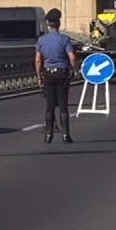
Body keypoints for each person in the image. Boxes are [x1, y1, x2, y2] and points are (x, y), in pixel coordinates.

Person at [35, 8, 78, 144]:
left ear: (48, 24)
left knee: (50, 106)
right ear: (58, 23)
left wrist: (39, 75)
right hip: (62, 73)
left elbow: (37, 60)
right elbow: (71, 57)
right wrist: (75, 70)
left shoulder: (41, 40)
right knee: (63, 106)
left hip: (48, 73)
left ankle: (48, 135)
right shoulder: (64, 39)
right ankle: (66, 135)